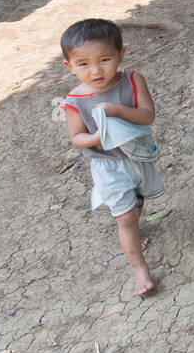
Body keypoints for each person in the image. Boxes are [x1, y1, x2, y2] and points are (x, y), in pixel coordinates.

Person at [60, 18, 164, 296]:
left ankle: (135, 226)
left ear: (121, 54)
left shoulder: (132, 80)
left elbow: (147, 115)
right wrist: (98, 137)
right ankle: (139, 269)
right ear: (69, 66)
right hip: (108, 166)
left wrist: (116, 111)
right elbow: (77, 137)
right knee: (125, 217)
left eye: (105, 59)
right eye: (83, 64)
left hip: (138, 156)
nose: (95, 70)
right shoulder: (74, 100)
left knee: (137, 203)